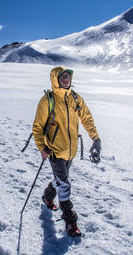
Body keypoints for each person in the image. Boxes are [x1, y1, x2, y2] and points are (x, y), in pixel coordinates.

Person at [32, 66, 101, 237]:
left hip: (70, 150)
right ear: (55, 79)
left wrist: (96, 138)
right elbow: (38, 126)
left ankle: (48, 196)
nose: (66, 79)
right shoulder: (48, 100)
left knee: (60, 180)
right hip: (54, 150)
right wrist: (42, 147)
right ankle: (70, 221)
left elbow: (86, 118)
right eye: (62, 76)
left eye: (68, 76)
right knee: (64, 184)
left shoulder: (75, 98)